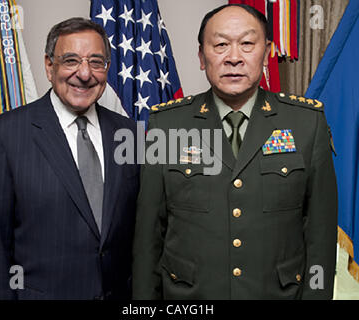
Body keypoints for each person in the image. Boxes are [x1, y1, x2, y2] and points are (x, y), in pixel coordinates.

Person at [132, 4, 337, 300]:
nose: (234, 58)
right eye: (220, 45)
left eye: (246, 44)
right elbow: (148, 240)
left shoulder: (306, 123)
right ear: (202, 57)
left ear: (266, 53)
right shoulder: (166, 124)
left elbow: (320, 238)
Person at [0, 18, 139, 300]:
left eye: (96, 62)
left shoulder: (130, 133)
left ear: (106, 69)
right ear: (50, 66)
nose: (85, 74)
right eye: (71, 60)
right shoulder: (2, 135)